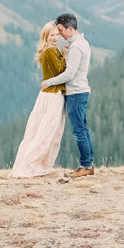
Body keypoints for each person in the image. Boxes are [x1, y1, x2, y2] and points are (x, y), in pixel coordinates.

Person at [9, 22, 68, 178]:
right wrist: (65, 56)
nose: (55, 38)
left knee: (41, 130)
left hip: (47, 94)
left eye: (57, 34)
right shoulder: (50, 51)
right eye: (52, 35)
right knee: (47, 131)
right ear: (46, 37)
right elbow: (61, 72)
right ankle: (31, 166)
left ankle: (36, 164)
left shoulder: (50, 50)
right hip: (53, 95)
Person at [42, 12, 93, 177]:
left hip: (76, 93)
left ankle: (86, 166)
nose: (60, 34)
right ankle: (88, 164)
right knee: (82, 129)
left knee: (79, 131)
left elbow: (69, 74)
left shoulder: (76, 47)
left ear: (71, 29)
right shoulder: (80, 43)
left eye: (61, 30)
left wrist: (48, 82)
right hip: (80, 92)